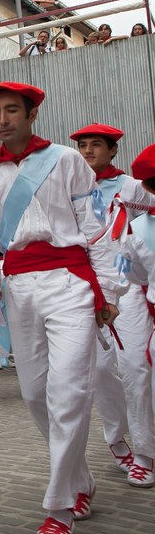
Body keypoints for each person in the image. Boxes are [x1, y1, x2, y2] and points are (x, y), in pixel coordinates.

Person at [0, 82, 123, 534]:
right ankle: (79, 477)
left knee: (69, 391)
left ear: (31, 114)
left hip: (69, 282)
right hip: (19, 287)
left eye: (12, 110)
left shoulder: (66, 159)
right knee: (35, 394)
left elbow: (94, 227)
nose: (3, 120)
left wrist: (108, 292)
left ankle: (60, 505)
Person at [71, 123, 155, 488]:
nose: (88, 151)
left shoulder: (134, 186)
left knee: (135, 367)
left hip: (130, 288)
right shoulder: (71, 186)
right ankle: (116, 438)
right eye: (83, 145)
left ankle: (145, 452)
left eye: (95, 145)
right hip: (87, 289)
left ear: (112, 150)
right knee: (102, 371)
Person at [120, 143, 155, 487]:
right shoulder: (139, 230)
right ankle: (143, 453)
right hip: (142, 307)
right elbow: (136, 277)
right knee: (134, 373)